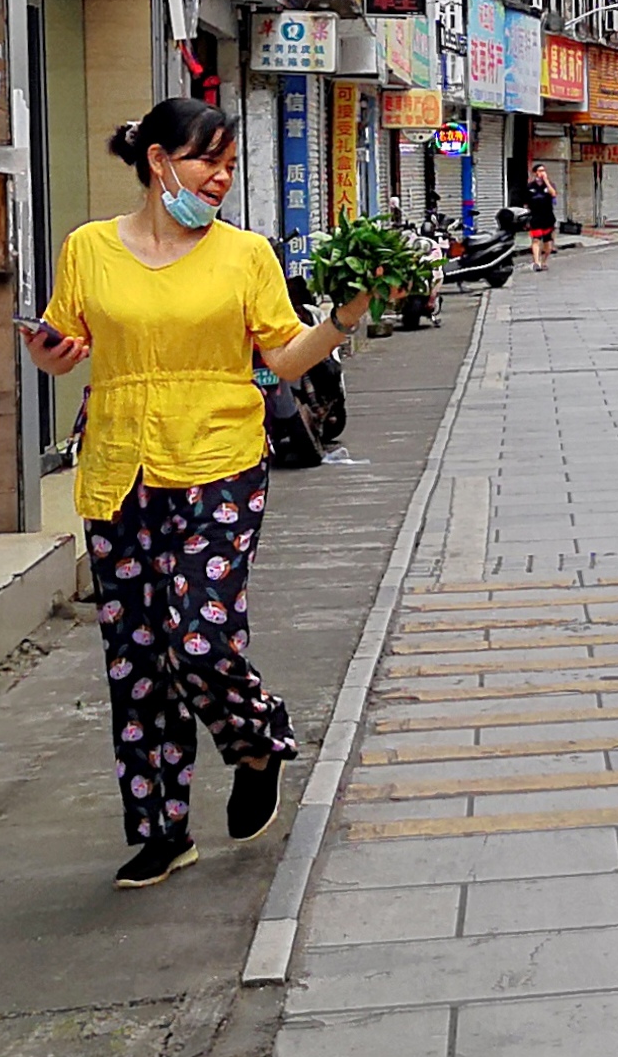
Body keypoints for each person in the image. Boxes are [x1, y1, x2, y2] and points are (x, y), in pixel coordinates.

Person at [20, 99, 381, 890]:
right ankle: (161, 828)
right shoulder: (89, 249)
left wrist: (348, 314)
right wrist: (49, 351)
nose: (221, 178)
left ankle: (257, 739)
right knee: (137, 659)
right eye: (206, 162)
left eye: (228, 165)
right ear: (159, 162)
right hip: (120, 467)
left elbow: (285, 359)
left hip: (218, 458)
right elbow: (59, 350)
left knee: (197, 637)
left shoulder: (244, 255)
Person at [524, 166, 557, 269]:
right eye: (540, 171)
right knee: (536, 240)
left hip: (548, 217)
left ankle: (543, 261)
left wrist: (546, 181)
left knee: (548, 245)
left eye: (543, 170)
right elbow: (525, 204)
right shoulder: (530, 187)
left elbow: (554, 194)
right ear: (535, 173)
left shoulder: (550, 185)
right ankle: (536, 262)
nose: (542, 173)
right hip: (535, 217)